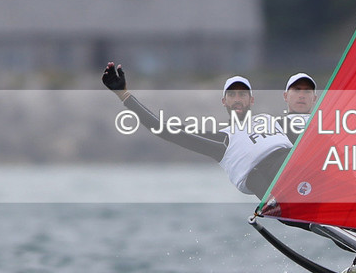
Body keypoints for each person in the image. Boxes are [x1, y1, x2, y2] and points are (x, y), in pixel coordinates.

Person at [102, 63, 292, 198]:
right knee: (256, 176)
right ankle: (284, 209)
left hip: (291, 167)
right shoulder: (221, 140)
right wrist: (123, 95)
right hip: (265, 184)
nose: (237, 99)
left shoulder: (271, 121)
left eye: (243, 94)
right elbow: (164, 130)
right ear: (224, 102)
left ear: (251, 100)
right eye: (231, 95)